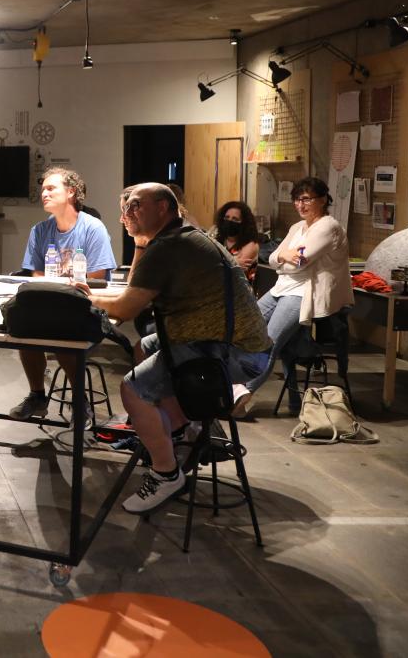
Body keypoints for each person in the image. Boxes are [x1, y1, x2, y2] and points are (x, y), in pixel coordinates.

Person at [83, 183, 271, 514]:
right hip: (223, 342)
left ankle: (166, 473)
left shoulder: (171, 247)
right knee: (145, 345)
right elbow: (135, 290)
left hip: (233, 353)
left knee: (132, 389)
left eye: (137, 206)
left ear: (165, 209)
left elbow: (126, 308)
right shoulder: (178, 238)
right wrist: (139, 243)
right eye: (126, 207)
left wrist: (86, 299)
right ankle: (179, 428)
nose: (128, 213)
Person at [10, 167, 117, 421]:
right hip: (52, 302)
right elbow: (35, 274)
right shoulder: (39, 231)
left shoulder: (93, 228)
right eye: (43, 189)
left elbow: (98, 277)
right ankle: (37, 395)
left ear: (71, 192)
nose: (43, 194)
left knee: (62, 330)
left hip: (84, 306)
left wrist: (61, 285)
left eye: (50, 188)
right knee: (24, 324)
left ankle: (80, 399)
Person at [239, 177, 354, 415]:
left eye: (306, 199)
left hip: (305, 293)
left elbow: (299, 264)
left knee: (269, 344)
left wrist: (285, 258)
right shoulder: (297, 227)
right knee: (247, 329)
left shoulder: (328, 226)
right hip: (282, 287)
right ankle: (290, 400)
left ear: (322, 200)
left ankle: (239, 400)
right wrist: (283, 257)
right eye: (297, 199)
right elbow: (269, 258)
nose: (300, 205)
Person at [212, 200, 261, 284]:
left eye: (235, 219)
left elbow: (236, 272)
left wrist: (217, 263)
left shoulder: (251, 245)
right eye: (227, 217)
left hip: (240, 291)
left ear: (244, 223)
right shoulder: (219, 238)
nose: (229, 221)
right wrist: (233, 262)